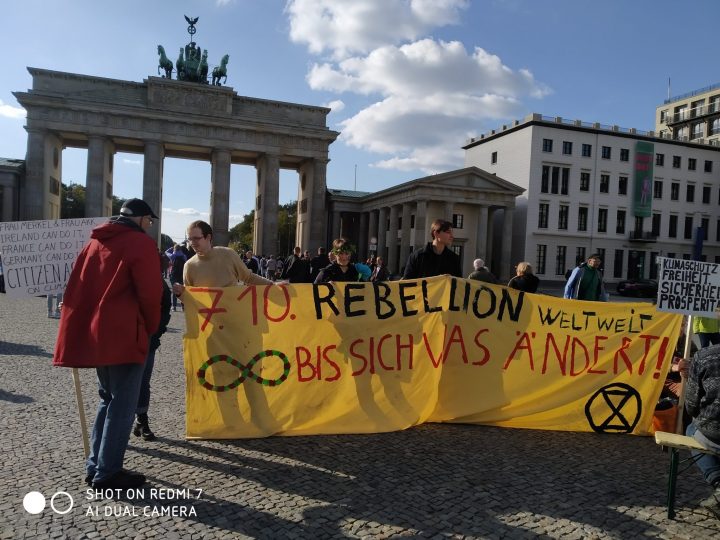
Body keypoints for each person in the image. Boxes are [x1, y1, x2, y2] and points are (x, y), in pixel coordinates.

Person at [53, 198, 162, 490]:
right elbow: (151, 294)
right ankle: (108, 473)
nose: (150, 227)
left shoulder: (93, 243)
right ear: (139, 219)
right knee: (123, 405)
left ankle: (96, 466)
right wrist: (150, 328)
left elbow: (77, 287)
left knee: (107, 399)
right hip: (126, 335)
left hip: (98, 335)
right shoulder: (140, 244)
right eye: (149, 221)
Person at [173, 220, 273, 296]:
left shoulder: (228, 254)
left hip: (232, 319)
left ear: (208, 237)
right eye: (190, 239)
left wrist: (273, 285)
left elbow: (248, 277)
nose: (192, 243)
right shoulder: (189, 266)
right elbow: (190, 297)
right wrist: (180, 293)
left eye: (196, 238)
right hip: (207, 321)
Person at [133, 253, 172, 441]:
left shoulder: (161, 284)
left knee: (142, 382)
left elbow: (166, 310)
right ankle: (115, 428)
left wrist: (156, 332)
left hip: (148, 341)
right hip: (123, 339)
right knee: (119, 387)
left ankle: (142, 419)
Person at [684, 343, 720, 518]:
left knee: (692, 428)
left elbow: (691, 405)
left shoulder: (704, 356)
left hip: (713, 433)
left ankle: (717, 481)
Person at [166, 244, 187, 311]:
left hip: (173, 275)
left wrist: (171, 248)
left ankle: (174, 306)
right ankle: (183, 306)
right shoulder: (184, 256)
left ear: (174, 249)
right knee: (182, 290)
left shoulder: (172, 256)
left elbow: (166, 252)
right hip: (181, 275)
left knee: (175, 290)